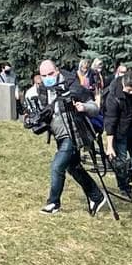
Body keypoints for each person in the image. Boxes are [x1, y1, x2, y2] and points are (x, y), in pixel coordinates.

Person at [32, 59, 106, 216]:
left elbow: (95, 108)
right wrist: (35, 120)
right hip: (59, 135)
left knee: (57, 166)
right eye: (44, 75)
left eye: (50, 74)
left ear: (57, 71)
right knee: (73, 167)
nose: (47, 78)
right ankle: (96, 196)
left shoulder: (72, 85)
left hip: (73, 134)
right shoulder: (43, 89)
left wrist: (83, 107)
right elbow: (47, 114)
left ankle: (53, 203)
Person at [102, 70, 132, 199]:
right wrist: (110, 146)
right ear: (123, 84)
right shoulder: (113, 95)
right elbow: (110, 121)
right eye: (129, 90)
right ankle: (124, 187)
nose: (131, 93)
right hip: (119, 130)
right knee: (121, 162)